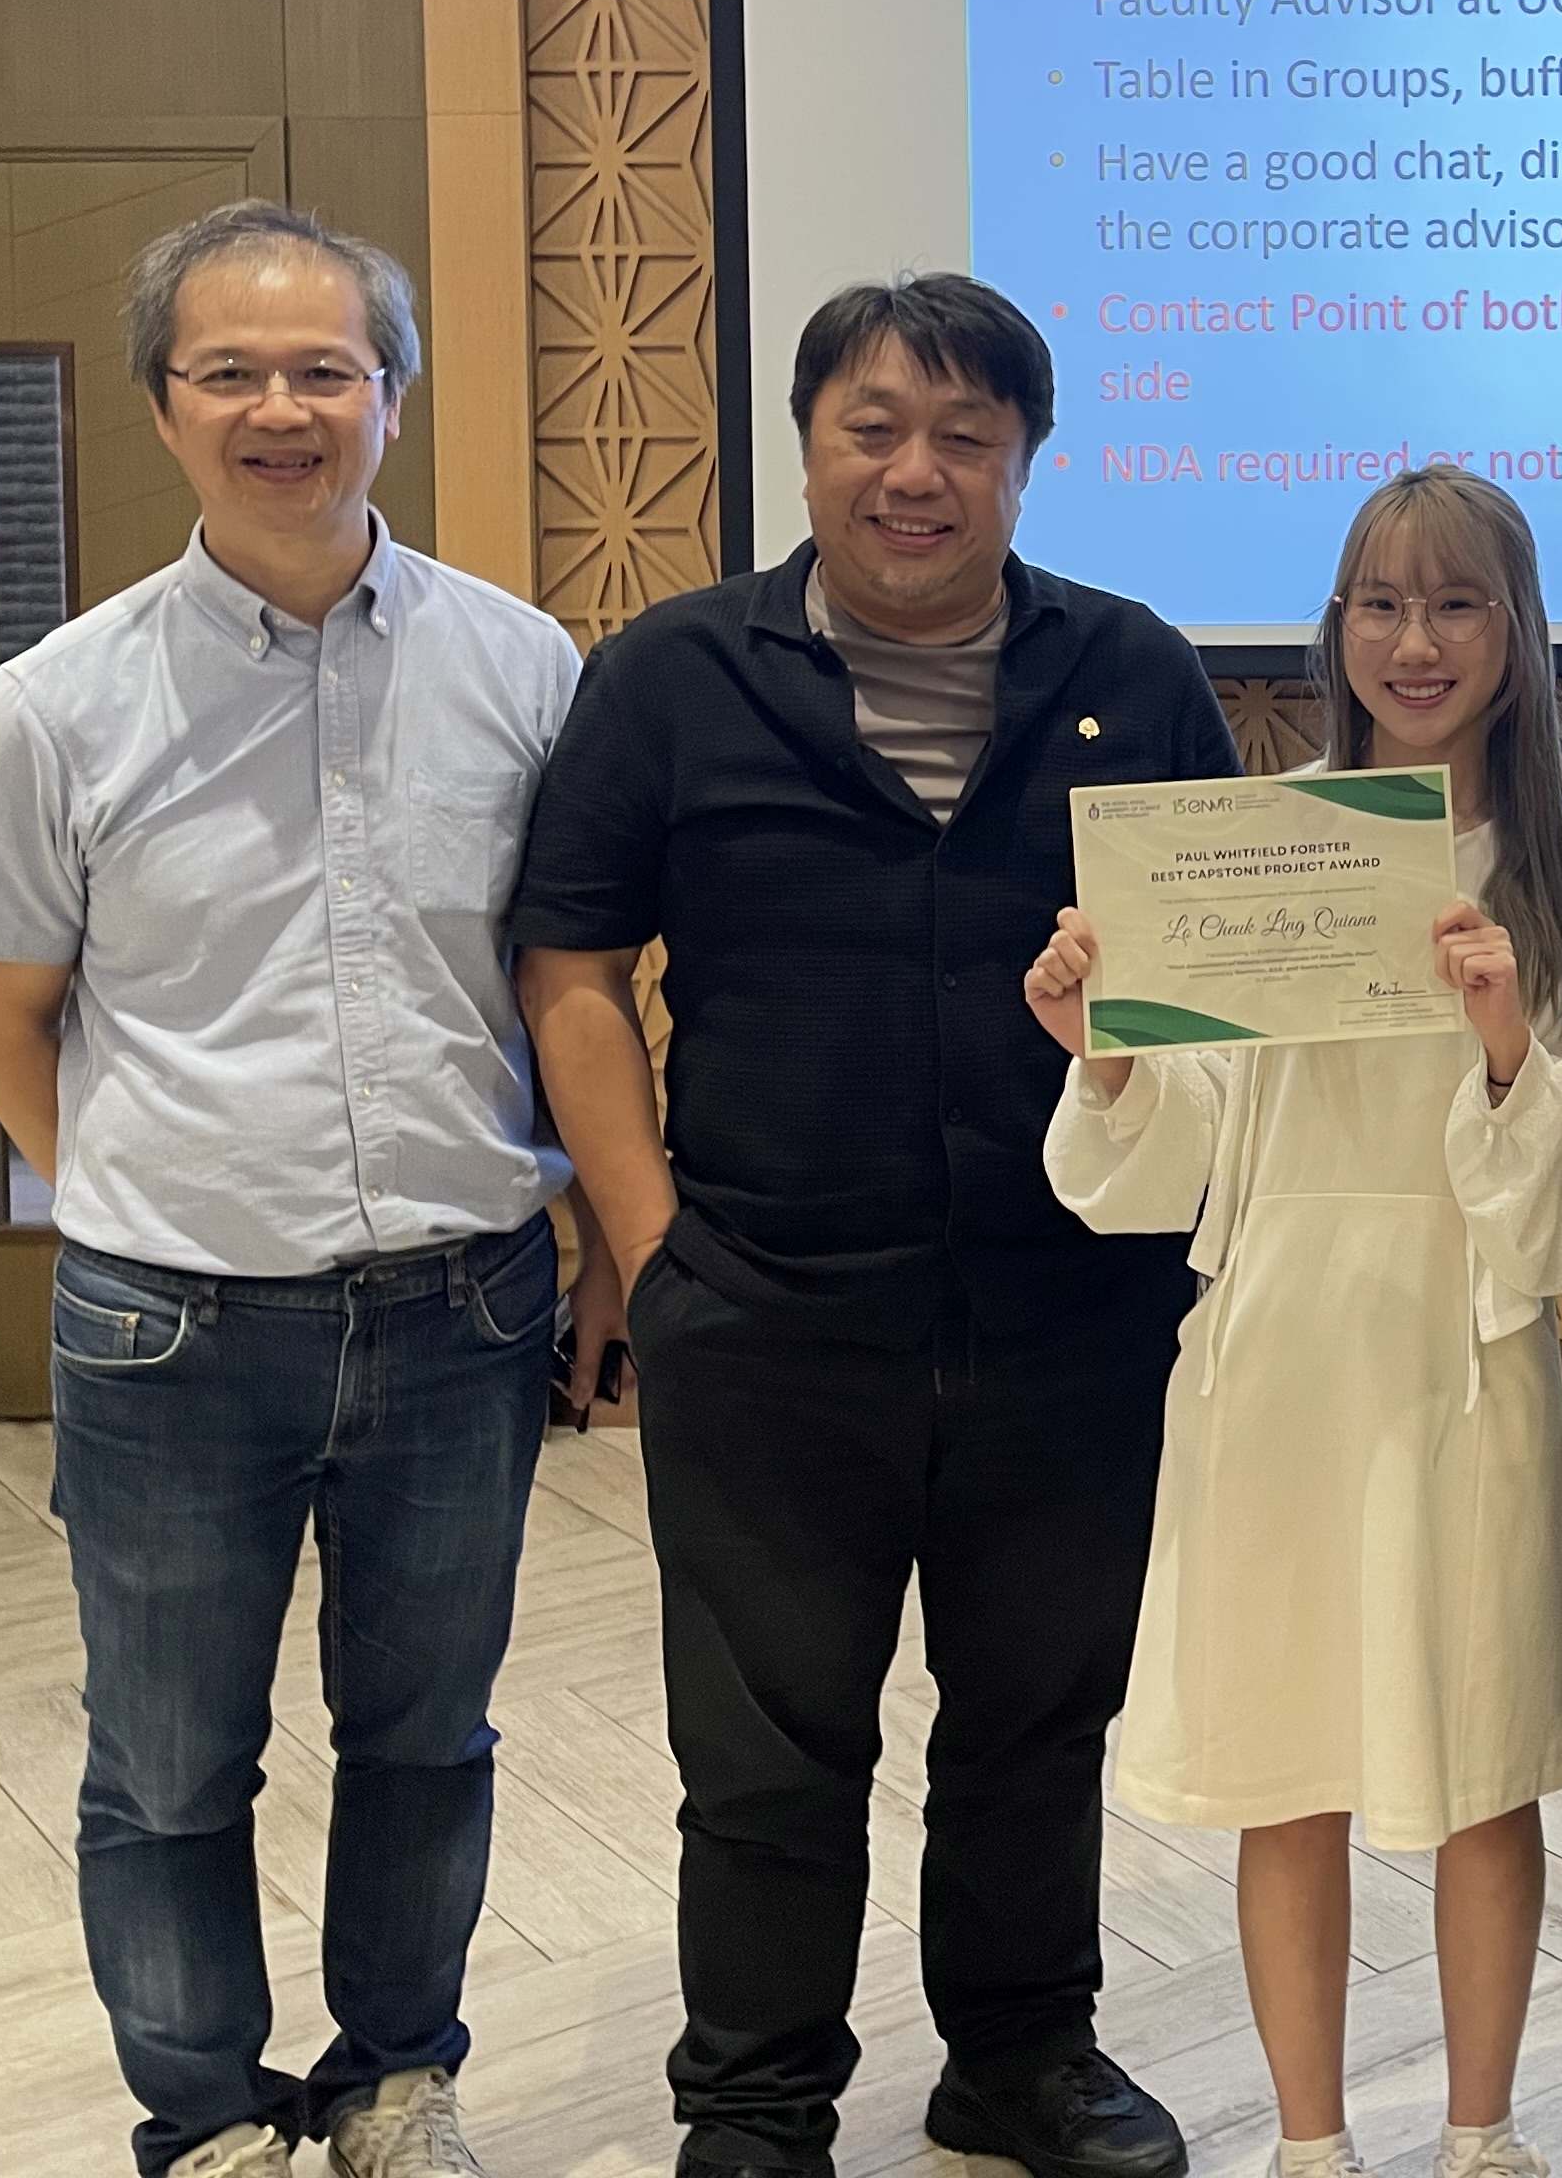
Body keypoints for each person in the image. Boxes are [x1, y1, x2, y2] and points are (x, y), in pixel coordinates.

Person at [510, 275, 1228, 2178]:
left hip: (1072, 1308)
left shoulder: (1133, 671)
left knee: (1036, 1718)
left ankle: (1018, 2061)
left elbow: (1220, 975)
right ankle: (753, 2107)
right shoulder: (673, 676)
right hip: (766, 1306)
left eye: (968, 439)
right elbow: (573, 962)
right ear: (809, 442)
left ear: (1026, 461)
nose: (920, 474)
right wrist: (651, 1249)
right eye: (876, 430)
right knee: (765, 1753)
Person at [0, 200, 585, 2178]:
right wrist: (141, 1191)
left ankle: (395, 2086)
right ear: (163, 407)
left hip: (463, 1307)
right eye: (232, 371)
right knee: (169, 1767)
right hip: (172, 1322)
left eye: (324, 369)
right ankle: (204, 2119)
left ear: (391, 396)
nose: (280, 408)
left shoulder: (522, 666)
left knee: (424, 1741)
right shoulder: (59, 705)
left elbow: (563, 984)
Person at [1025, 466, 1562, 2178]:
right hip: (1281, 1344)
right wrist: (1112, 1044)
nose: (1416, 641)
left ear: (1516, 633)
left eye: (1456, 604)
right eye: (1382, 603)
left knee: (1483, 1755)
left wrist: (1512, 1047)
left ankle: (1481, 2130)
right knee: (1293, 1760)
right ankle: (1308, 2141)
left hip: (1463, 1355)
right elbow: (1170, 1160)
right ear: (1337, 625)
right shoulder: (1251, 845)